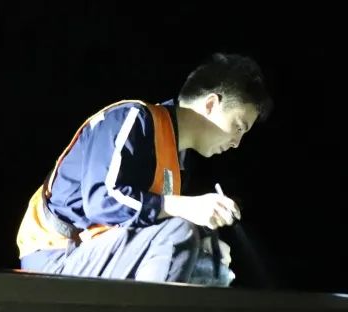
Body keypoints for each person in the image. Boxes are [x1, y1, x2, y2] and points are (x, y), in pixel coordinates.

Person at [15, 53, 271, 284]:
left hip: (95, 254)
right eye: (239, 126)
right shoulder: (132, 119)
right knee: (179, 232)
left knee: (209, 267)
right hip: (57, 254)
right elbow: (101, 201)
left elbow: (149, 223)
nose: (237, 143)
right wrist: (184, 207)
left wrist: (205, 242)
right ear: (211, 104)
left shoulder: (177, 159)